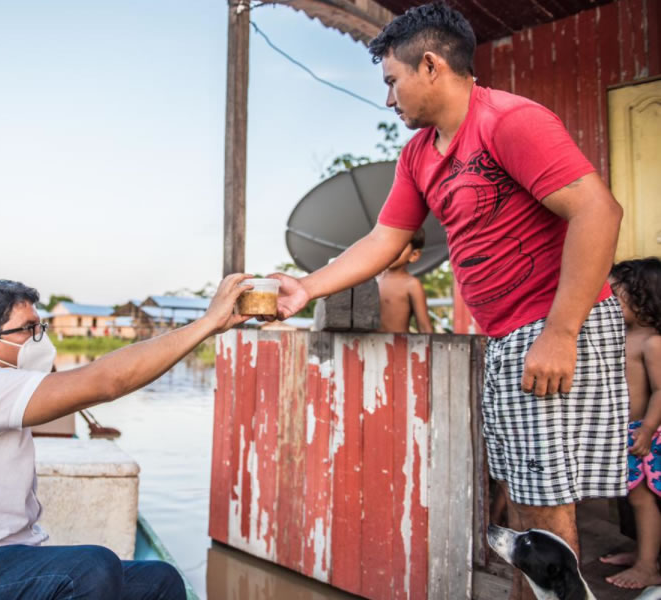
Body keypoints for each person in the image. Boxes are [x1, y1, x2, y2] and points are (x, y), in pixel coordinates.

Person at [267, 4, 626, 599]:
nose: (388, 99)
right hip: (510, 335)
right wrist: (308, 287)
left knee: (543, 503)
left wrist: (561, 332)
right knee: (527, 499)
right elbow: (386, 238)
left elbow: (598, 210)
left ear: (430, 65)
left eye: (391, 81)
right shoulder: (418, 154)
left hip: (555, 326)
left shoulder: (511, 121)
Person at [0, 275, 253, 600]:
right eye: (28, 329)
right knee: (92, 568)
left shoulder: (4, 392)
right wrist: (207, 323)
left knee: (160, 581)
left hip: (0, 571)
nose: (39, 338)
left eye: (40, 327)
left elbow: (85, 385)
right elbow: (106, 382)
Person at [601, 257, 661, 590]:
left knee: (641, 498)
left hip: (641, 433)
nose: (608, 301)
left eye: (615, 296)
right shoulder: (624, 336)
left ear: (643, 298)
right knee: (627, 497)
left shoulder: (652, 342)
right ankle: (642, 550)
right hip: (621, 433)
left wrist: (648, 429)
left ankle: (648, 566)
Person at [376, 228, 433, 333]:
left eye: (399, 246)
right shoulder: (373, 280)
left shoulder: (411, 284)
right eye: (388, 243)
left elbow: (424, 326)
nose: (392, 250)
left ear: (413, 255)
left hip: (397, 347)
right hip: (366, 347)